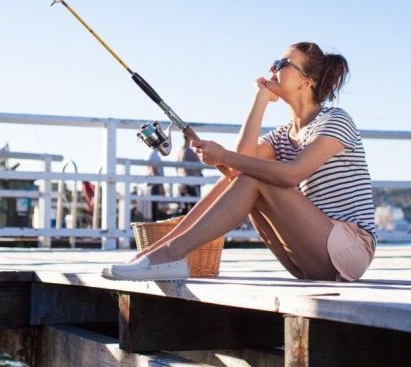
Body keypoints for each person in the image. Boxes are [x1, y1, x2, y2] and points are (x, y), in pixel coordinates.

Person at [103, 42, 376, 282]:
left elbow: (292, 174)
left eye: (282, 63)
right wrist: (259, 100)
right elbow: (237, 167)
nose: (273, 68)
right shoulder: (282, 135)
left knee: (255, 177)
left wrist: (224, 156)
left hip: (350, 250)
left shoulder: (335, 120)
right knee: (241, 175)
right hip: (308, 257)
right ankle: (154, 253)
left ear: (306, 81)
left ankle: (168, 256)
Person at [176, 135, 203, 213]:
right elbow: (199, 167)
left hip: (181, 183)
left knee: (183, 210)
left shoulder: (179, 151)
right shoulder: (190, 151)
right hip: (191, 183)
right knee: (194, 210)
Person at [147, 148, 166, 221]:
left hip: (153, 183)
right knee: (154, 208)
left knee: (154, 207)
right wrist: (161, 185)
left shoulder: (152, 154)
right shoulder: (154, 155)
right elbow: (154, 170)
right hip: (155, 184)